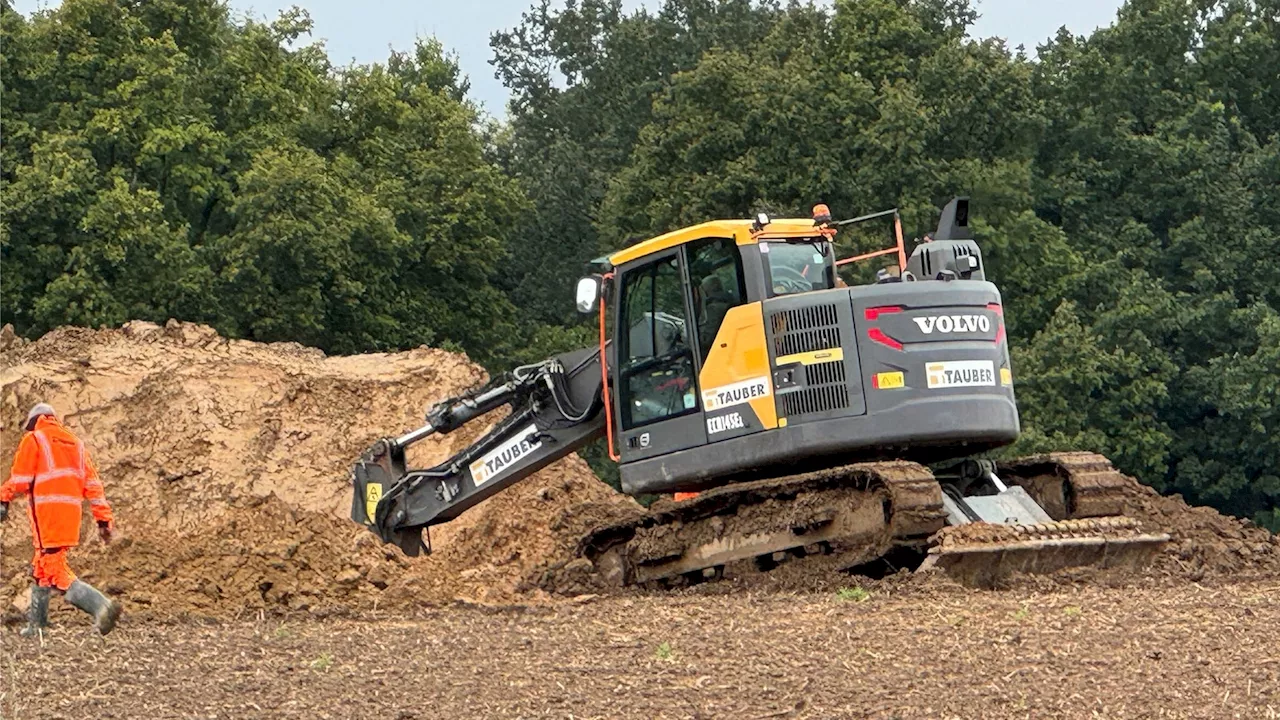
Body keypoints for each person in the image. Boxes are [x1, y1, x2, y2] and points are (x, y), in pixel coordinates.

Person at [0, 403, 121, 637]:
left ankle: (101, 606)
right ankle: (37, 625)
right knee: (42, 566)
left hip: (48, 518)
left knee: (54, 569)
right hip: (69, 518)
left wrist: (3, 498)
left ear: (34, 422)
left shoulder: (34, 439)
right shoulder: (76, 444)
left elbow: (21, 480)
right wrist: (103, 521)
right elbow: (94, 487)